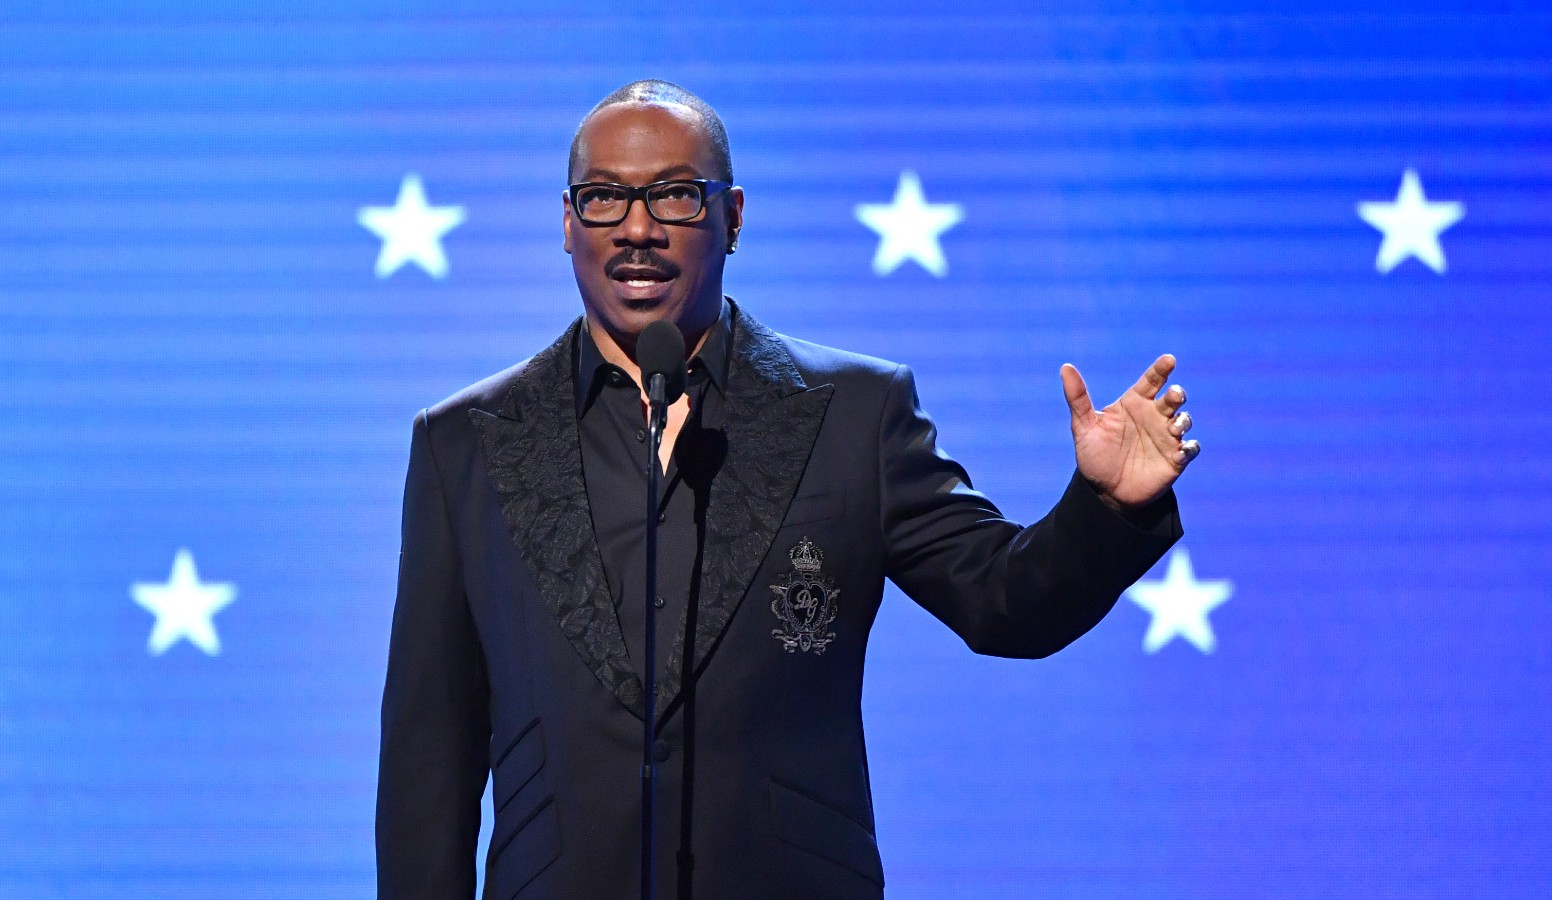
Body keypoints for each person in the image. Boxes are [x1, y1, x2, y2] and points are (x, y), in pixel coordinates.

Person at [376, 80, 1198, 900]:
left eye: (673, 196)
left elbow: (1008, 601)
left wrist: (1108, 507)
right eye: (603, 199)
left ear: (732, 216)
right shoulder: (466, 443)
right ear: (566, 222)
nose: (636, 229)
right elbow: (429, 760)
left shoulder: (856, 414)